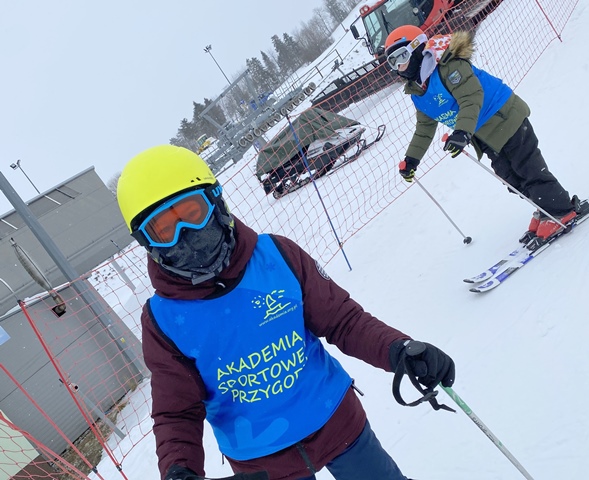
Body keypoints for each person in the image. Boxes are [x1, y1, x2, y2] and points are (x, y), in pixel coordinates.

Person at [116, 144, 456, 480]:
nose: (186, 235)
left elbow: (342, 321)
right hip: (262, 461)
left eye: (192, 213)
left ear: (216, 204)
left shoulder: (276, 257)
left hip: (335, 421)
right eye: (164, 229)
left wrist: (397, 350)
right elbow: (176, 410)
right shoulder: (164, 320)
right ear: (148, 243)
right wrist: (179, 469)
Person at [386, 25, 578, 242]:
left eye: (401, 57)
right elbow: (424, 128)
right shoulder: (418, 91)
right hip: (485, 135)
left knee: (527, 168)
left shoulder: (450, 66)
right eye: (393, 62)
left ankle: (560, 210)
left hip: (505, 117)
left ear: (417, 49)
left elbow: (471, 98)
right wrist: (412, 160)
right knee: (510, 177)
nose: (399, 67)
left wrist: (461, 132)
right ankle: (545, 206)